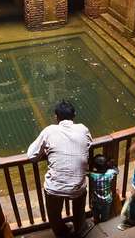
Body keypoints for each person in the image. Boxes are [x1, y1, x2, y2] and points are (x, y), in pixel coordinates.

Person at [27, 100, 92, 237]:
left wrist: (47, 151)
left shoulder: (50, 130)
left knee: (54, 214)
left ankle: (61, 232)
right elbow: (89, 143)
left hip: (55, 188)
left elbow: (32, 156)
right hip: (77, 186)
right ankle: (80, 229)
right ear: (74, 115)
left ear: (56, 117)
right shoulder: (83, 129)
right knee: (80, 201)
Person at [88, 155, 119, 223]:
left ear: (95, 167)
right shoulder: (110, 173)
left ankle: (96, 219)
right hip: (107, 201)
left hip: (96, 200)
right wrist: (112, 165)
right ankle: (104, 222)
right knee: (105, 216)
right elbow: (117, 171)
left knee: (95, 213)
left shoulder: (93, 175)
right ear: (106, 165)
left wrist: (90, 165)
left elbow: (86, 172)